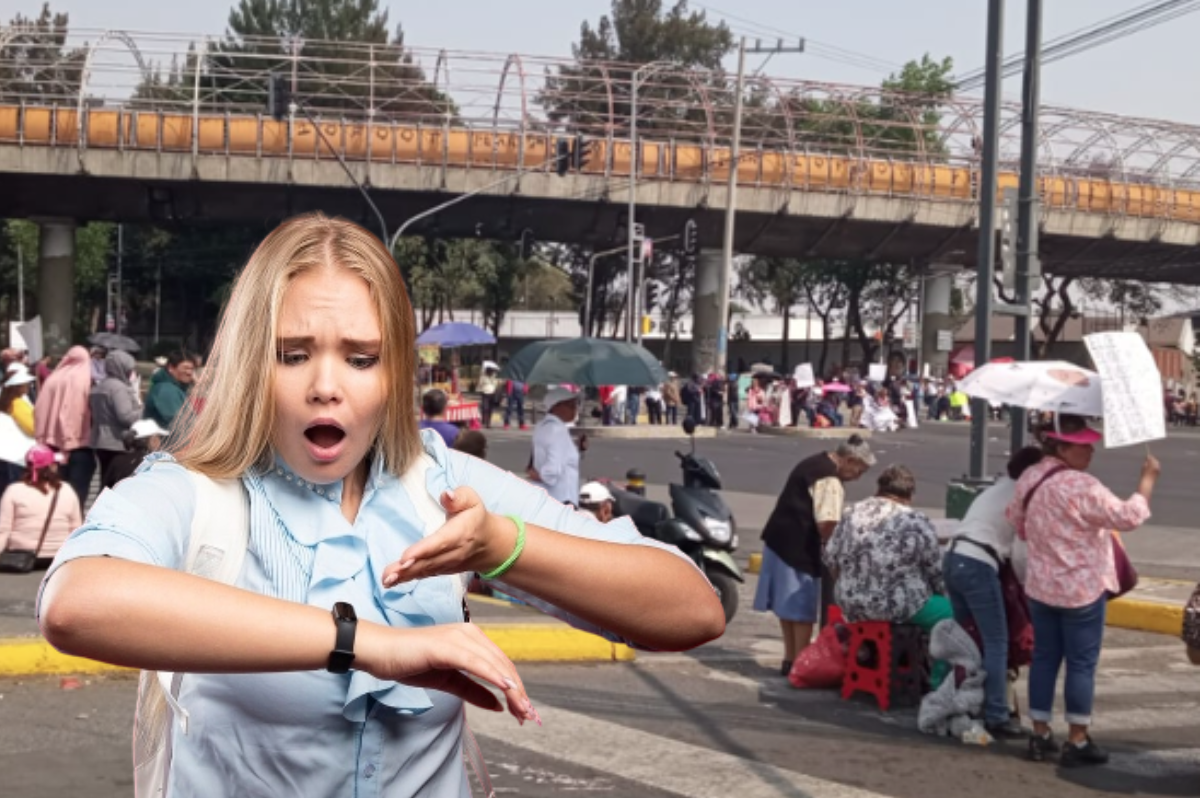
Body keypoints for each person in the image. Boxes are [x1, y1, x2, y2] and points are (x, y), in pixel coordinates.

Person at [38, 213, 724, 797]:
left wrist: (502, 546)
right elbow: (77, 602)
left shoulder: (440, 482)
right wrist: (373, 647)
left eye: (361, 358)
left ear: (396, 370)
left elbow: (691, 610)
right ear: (251, 361)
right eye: (293, 354)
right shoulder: (197, 489)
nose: (326, 387)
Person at [1007, 415, 1159, 767]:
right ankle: (1077, 738)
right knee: (1080, 664)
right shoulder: (1082, 486)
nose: (1090, 450)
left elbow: (1017, 522)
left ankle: (1040, 733)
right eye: (1083, 445)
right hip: (1082, 590)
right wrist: (1147, 481)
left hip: (1042, 586)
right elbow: (1128, 516)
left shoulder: (1030, 478)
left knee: (1044, 660)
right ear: (1061, 447)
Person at [943, 445, 1043, 739]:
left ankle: (964, 703)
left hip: (953, 558)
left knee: (967, 642)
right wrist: (1029, 589)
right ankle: (997, 713)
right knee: (995, 641)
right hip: (978, 563)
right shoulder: (1023, 497)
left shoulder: (996, 488)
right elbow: (1021, 555)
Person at [754, 435, 875, 675]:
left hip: (779, 539)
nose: (859, 476)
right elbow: (827, 524)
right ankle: (800, 663)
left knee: (786, 608)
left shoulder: (815, 462)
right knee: (801, 611)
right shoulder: (829, 479)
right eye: (859, 469)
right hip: (798, 547)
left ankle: (789, 660)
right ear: (849, 460)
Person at [825, 464, 951, 685]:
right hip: (897, 605)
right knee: (954, 617)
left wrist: (849, 588)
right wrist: (943, 594)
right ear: (909, 495)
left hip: (850, 602)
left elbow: (830, 559)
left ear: (879, 488)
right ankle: (938, 682)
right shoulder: (915, 521)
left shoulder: (851, 513)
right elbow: (935, 571)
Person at [0, 444, 81, 567]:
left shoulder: (14, 490)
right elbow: (76, 527)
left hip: (21, 557)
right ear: (52, 466)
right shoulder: (66, 489)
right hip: (58, 558)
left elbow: (3, 530)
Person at [34, 345, 94, 505]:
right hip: (80, 441)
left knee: (53, 491)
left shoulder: (53, 378)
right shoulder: (86, 377)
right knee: (76, 494)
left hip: (51, 444)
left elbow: (39, 409)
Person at [90, 350, 142, 486]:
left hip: (100, 440)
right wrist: (144, 411)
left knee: (105, 479)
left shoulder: (100, 386)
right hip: (117, 441)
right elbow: (125, 416)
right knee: (117, 482)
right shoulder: (119, 388)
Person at [529, 387, 585, 506]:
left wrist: (576, 448)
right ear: (556, 407)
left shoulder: (541, 426)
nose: (575, 409)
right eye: (570, 405)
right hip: (563, 499)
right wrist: (540, 476)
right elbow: (552, 471)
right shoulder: (558, 430)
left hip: (547, 498)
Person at [103, 419, 170, 489]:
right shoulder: (157, 463)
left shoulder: (117, 461)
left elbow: (105, 491)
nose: (160, 442)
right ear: (152, 440)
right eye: (159, 437)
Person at [143, 351, 195, 432]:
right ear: (171, 368)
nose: (189, 372)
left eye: (192, 369)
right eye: (185, 368)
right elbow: (177, 424)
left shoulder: (177, 389)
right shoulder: (165, 390)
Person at [2, 364, 37, 437]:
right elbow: (33, 428)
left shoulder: (8, 401)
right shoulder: (17, 404)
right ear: (17, 386)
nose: (28, 384)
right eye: (25, 382)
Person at [477, 363, 500, 429]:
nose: (490, 372)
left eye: (491, 371)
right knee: (485, 407)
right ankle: (484, 419)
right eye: (489, 371)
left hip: (492, 393)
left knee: (490, 409)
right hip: (485, 393)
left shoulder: (494, 377)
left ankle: (488, 423)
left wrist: (494, 380)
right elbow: (480, 384)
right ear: (486, 371)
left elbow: (496, 384)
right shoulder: (483, 377)